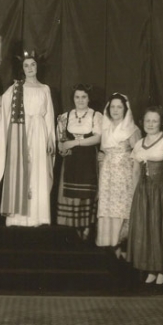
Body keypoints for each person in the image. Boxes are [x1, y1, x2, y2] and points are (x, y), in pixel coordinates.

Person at [0, 50, 55, 227]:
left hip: (40, 133)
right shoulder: (16, 88)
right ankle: (18, 217)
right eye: (26, 65)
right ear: (22, 69)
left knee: (38, 170)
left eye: (32, 65)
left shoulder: (45, 89)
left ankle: (38, 216)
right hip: (21, 131)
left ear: (37, 67)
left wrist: (50, 138)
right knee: (22, 169)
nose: (29, 68)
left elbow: (49, 115)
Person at [126, 106, 163, 285]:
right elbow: (135, 171)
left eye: (154, 121)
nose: (150, 124)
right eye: (147, 120)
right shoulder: (139, 143)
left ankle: (162, 269)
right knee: (146, 228)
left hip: (162, 192)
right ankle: (150, 268)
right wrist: (134, 194)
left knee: (158, 228)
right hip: (143, 192)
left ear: (161, 122)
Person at [56, 84, 103, 239]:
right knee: (70, 193)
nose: (81, 100)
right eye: (77, 97)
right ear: (73, 99)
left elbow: (97, 138)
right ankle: (73, 228)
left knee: (87, 193)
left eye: (84, 97)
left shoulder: (96, 116)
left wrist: (75, 143)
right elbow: (60, 141)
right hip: (71, 161)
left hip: (88, 159)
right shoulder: (64, 117)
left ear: (89, 98)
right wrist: (62, 148)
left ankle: (86, 227)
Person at [96, 93, 141, 253]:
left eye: (119, 107)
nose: (115, 110)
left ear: (125, 109)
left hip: (124, 172)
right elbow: (102, 151)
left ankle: (120, 242)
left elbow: (139, 154)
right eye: (112, 106)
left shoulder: (132, 129)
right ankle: (106, 242)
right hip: (107, 171)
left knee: (122, 205)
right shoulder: (105, 128)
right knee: (107, 203)